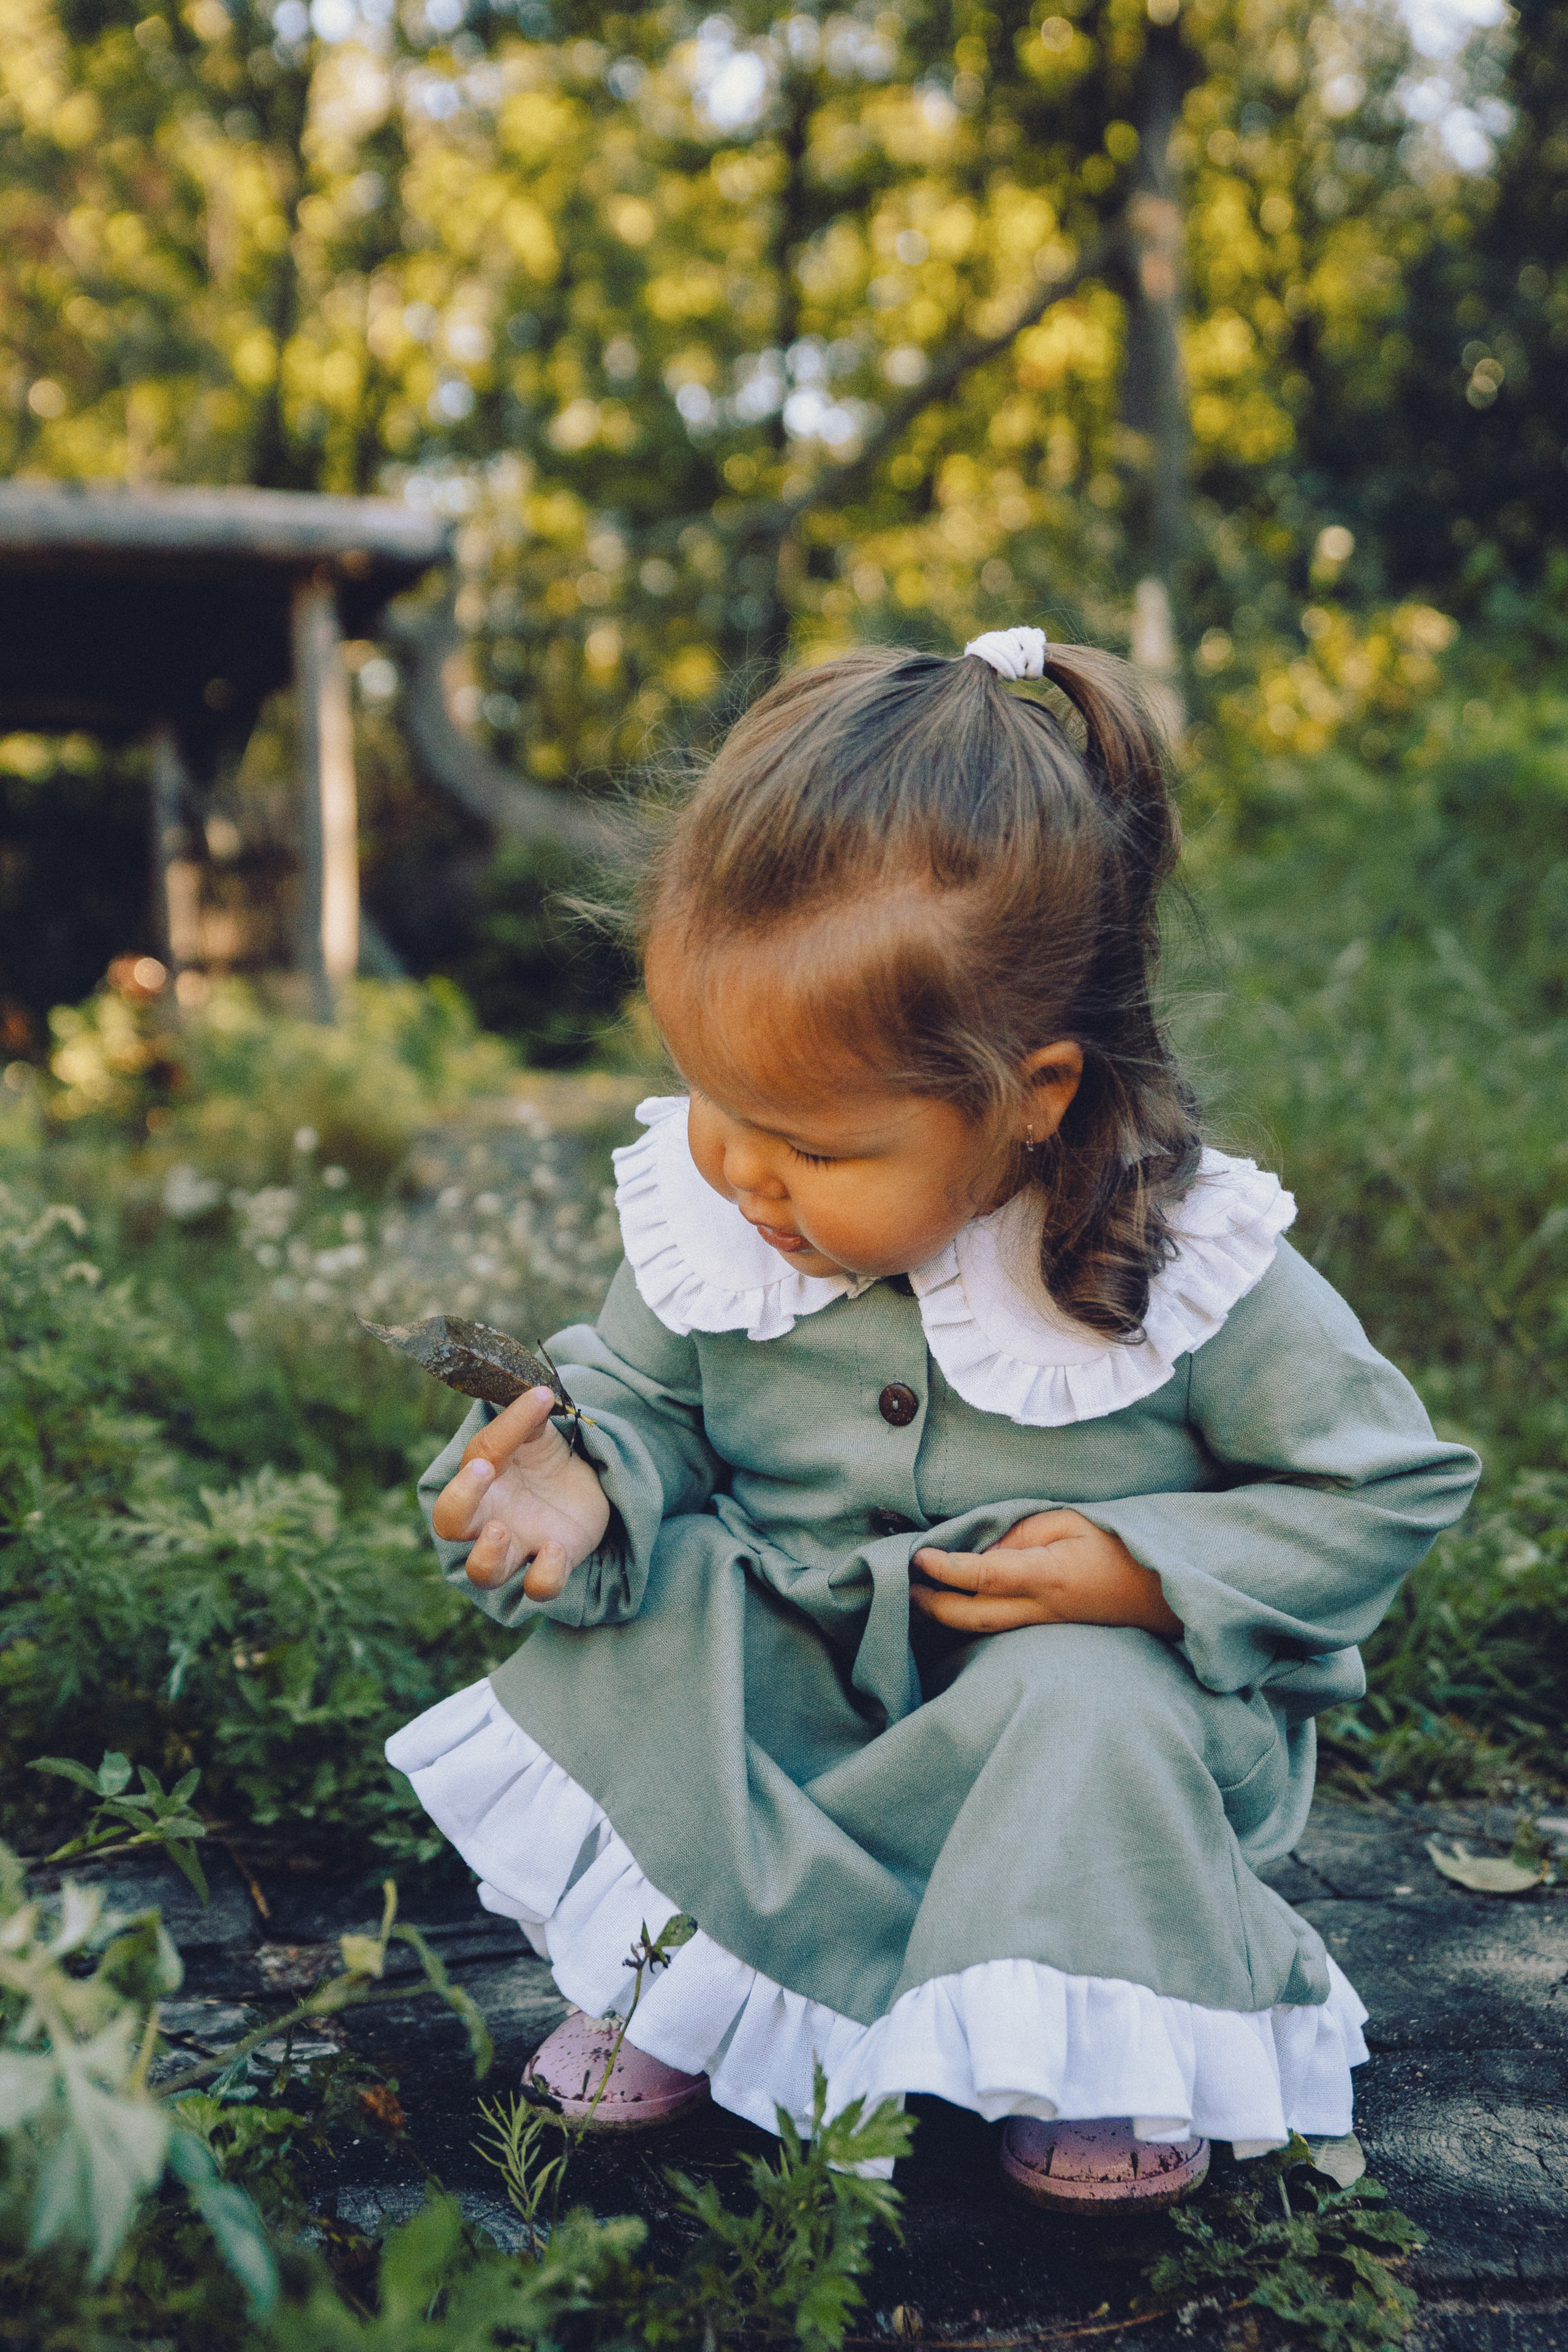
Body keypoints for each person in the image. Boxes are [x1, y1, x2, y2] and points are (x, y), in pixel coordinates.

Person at [386, 627, 1479, 2212]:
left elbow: (1379, 1485)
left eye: (815, 1146)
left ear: (1032, 1095)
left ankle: (1092, 2036)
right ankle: (689, 1981)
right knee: (675, 1608)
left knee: (1082, 1698)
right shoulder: (721, 1221)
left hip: (1050, 1756)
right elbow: (640, 1401)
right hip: (807, 1698)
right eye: (720, 1107)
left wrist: (1142, 1567)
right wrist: (585, 1486)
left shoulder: (1180, 1259)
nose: (748, 1179)